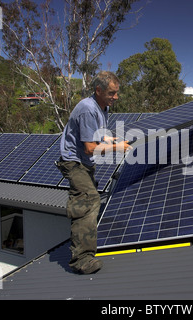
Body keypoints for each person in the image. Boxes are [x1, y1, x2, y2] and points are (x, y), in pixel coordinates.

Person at [57, 71, 131, 274]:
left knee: (89, 200)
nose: (116, 97)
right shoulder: (88, 109)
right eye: (111, 93)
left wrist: (114, 141)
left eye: (117, 93)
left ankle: (85, 245)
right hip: (74, 161)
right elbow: (90, 148)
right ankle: (81, 260)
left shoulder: (102, 107)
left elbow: (99, 137)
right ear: (98, 90)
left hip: (85, 162)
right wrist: (117, 148)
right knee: (88, 201)